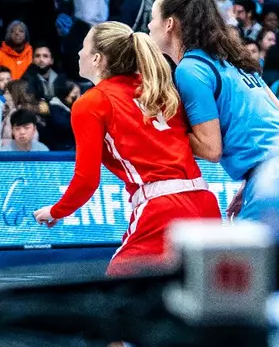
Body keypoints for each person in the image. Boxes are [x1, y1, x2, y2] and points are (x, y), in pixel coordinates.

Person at [34, 21, 220, 273]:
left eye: (84, 47)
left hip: (162, 207)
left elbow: (87, 179)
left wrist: (57, 210)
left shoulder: (93, 102)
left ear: (97, 58)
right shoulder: (157, 89)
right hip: (205, 199)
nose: (79, 53)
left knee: (120, 290)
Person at [151, 0, 279, 220]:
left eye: (153, 18)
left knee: (238, 257)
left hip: (274, 178)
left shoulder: (190, 69)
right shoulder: (233, 59)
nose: (150, 26)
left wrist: (161, 127)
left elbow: (211, 149)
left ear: (169, 24)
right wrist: (253, 180)